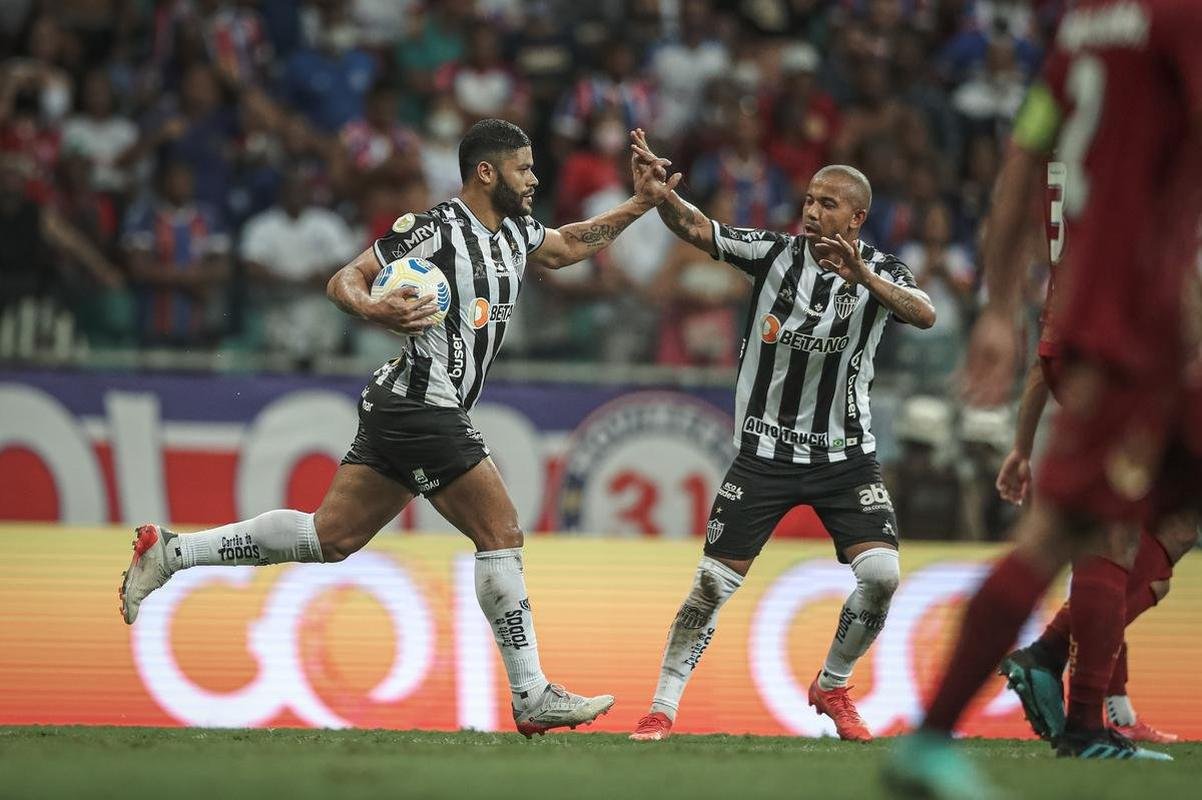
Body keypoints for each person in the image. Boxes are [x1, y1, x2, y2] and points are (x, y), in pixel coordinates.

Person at [119, 118, 674, 738]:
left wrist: (642, 203)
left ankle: (172, 552)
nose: (534, 177)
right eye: (523, 167)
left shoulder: (516, 232)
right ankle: (531, 693)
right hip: (421, 403)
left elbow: (569, 246)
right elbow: (343, 280)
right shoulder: (435, 229)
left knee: (328, 537)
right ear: (486, 172)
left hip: (405, 405)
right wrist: (374, 306)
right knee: (501, 530)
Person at [885, 1, 1202, 794]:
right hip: (1150, 321)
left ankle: (1042, 687)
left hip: (1096, 310)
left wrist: (1000, 306)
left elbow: (1025, 157)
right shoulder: (1183, 22)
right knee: (1086, 532)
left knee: (1115, 530)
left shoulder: (1082, 29)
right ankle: (1057, 710)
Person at [626, 130, 935, 742]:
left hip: (846, 456)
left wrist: (863, 278)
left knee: (882, 577)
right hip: (764, 454)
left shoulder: (882, 273)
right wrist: (660, 196)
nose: (813, 211)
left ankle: (833, 684)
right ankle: (661, 707)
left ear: (858, 217)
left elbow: (924, 313)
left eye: (828, 204)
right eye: (811, 200)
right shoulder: (774, 254)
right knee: (711, 584)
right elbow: (701, 230)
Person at [994, 162, 1198, 745]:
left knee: (1140, 536)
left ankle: (1095, 696)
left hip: (1077, 344)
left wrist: (1021, 444)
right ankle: (1081, 705)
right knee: (1128, 541)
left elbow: (1051, 337)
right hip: (1125, 352)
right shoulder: (1142, 127)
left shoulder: (1077, 147)